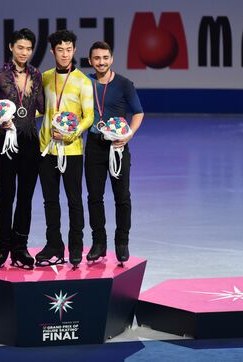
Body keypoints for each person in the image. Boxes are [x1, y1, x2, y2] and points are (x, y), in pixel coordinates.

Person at [0, 28, 44, 269]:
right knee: (6, 195)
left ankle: (20, 248)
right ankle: (2, 245)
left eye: (28, 48)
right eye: (20, 48)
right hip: (6, 141)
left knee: (26, 197)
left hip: (30, 141)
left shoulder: (36, 75)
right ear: (11, 48)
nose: (24, 52)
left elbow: (41, 106)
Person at [35, 30, 94, 269]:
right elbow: (40, 109)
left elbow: (88, 116)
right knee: (50, 201)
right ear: (53, 52)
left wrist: (72, 133)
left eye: (69, 50)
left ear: (74, 51)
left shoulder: (82, 80)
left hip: (72, 150)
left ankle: (76, 245)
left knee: (74, 201)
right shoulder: (45, 78)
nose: (65, 54)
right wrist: (16, 115)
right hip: (46, 149)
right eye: (60, 50)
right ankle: (54, 245)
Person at [85, 41, 144, 265]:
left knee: (122, 197)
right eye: (97, 58)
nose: (101, 62)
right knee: (94, 197)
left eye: (105, 58)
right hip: (93, 145)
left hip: (118, 146)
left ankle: (122, 243)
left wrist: (129, 134)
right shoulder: (85, 82)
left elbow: (138, 113)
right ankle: (99, 243)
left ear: (111, 59)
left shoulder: (124, 84)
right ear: (90, 61)